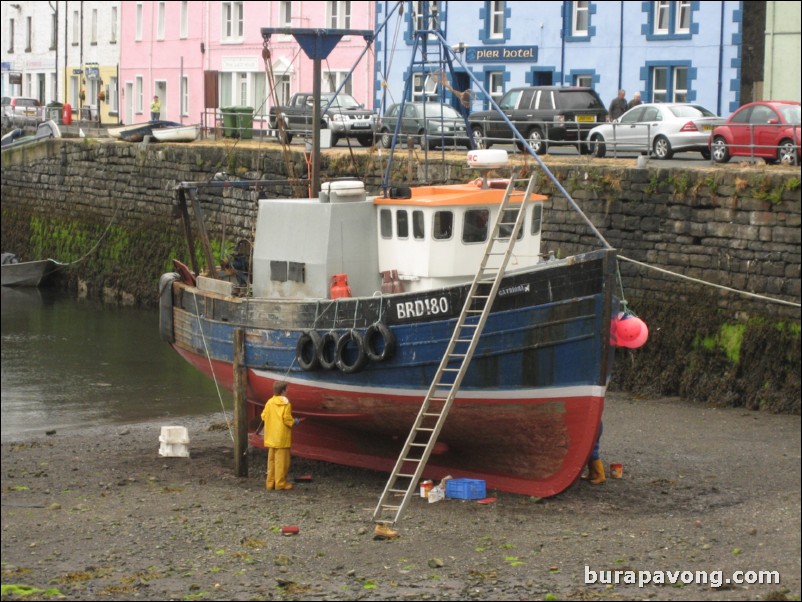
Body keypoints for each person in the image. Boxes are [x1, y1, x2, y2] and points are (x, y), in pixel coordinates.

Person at [261, 381, 301, 491]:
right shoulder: (286, 403)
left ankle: (270, 483)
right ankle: (280, 483)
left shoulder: (269, 402)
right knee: (282, 462)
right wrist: (295, 421)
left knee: (272, 462)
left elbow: (263, 416)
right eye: (286, 390)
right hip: (282, 437)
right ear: (283, 391)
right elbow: (287, 420)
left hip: (271, 437)